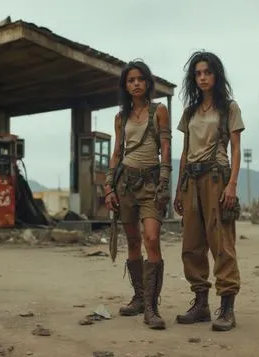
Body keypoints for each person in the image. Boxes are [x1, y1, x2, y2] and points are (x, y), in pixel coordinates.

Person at [173, 51, 244, 332]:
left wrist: (232, 184)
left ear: (216, 76)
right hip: (191, 179)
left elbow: (236, 148)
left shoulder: (228, 108)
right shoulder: (190, 111)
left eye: (208, 72)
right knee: (191, 244)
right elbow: (184, 151)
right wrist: (178, 188)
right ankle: (200, 303)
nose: (202, 78)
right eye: (198, 73)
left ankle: (227, 308)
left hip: (217, 177)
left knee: (221, 244)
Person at [104, 59, 172, 330]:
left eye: (140, 79)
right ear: (125, 85)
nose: (136, 84)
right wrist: (108, 186)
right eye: (131, 80)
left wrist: (165, 181)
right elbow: (117, 152)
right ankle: (139, 298)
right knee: (133, 242)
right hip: (125, 184)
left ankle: (152, 308)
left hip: (151, 183)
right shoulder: (121, 118)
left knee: (152, 239)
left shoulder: (160, 111)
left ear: (148, 82)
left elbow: (165, 147)